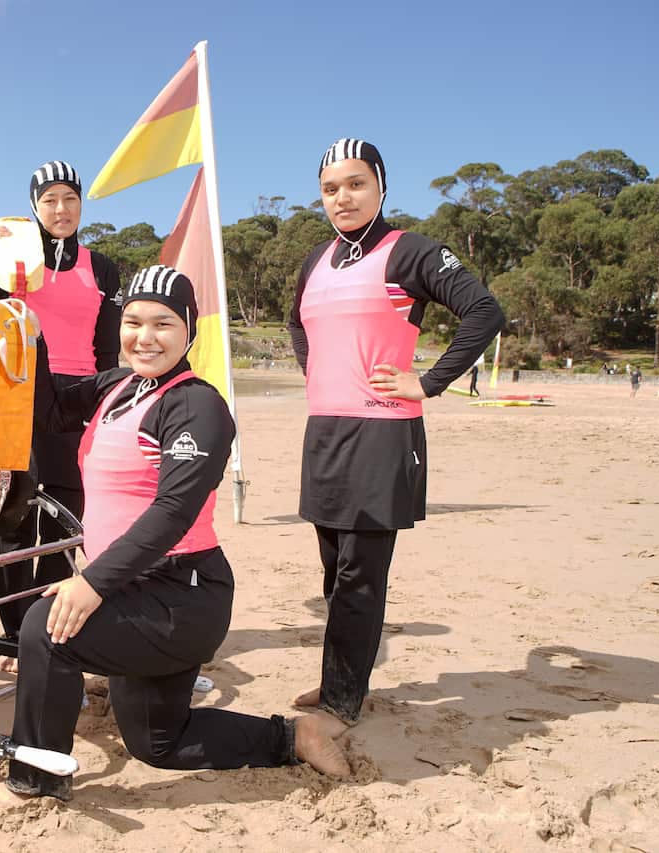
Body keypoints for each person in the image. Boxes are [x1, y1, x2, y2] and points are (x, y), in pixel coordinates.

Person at [0, 265, 350, 802]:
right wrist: (33, 337)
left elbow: (174, 511)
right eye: (134, 321)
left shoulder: (197, 405)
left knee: (46, 631)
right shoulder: (118, 387)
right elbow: (46, 409)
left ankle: (37, 780)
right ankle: (293, 737)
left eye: (163, 324)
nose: (145, 337)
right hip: (133, 589)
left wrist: (91, 584)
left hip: (179, 596)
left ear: (189, 329)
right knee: (159, 742)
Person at [286, 139, 504, 737]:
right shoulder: (315, 260)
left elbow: (483, 312)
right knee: (333, 569)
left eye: (356, 184)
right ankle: (341, 679)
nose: (343, 197)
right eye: (331, 188)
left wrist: (427, 382)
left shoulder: (410, 251)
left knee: (360, 571)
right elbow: (296, 324)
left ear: (381, 186)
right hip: (325, 431)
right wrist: (322, 374)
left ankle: (342, 702)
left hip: (382, 434)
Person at [0, 161, 122, 642]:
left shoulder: (102, 267)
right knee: (16, 513)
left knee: (67, 513)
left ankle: (46, 624)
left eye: (70, 198)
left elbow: (106, 347)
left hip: (78, 397)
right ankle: (14, 628)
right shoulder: (14, 260)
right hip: (20, 391)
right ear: (35, 206)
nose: (61, 208)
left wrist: (108, 398)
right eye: (49, 199)